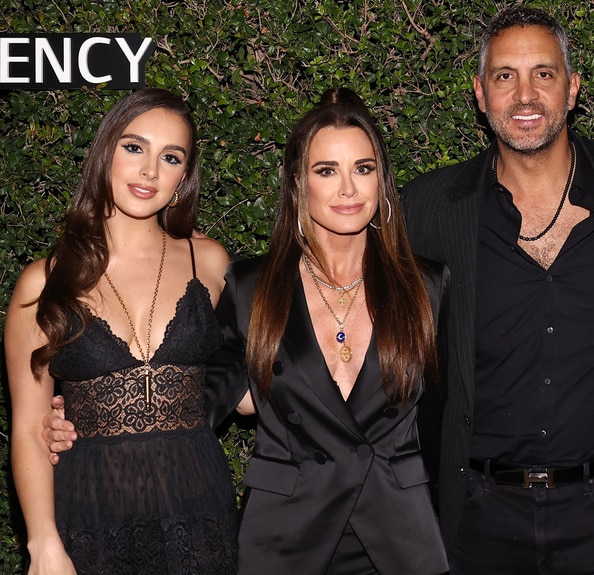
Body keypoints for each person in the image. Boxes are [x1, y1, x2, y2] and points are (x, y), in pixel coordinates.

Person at [401, 6, 594, 574]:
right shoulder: (427, 209)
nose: (525, 94)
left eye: (543, 73)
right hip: (478, 522)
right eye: (505, 76)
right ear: (480, 93)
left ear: (572, 89)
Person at [206, 87, 449, 573]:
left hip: (399, 535)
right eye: (326, 171)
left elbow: (461, 412)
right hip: (285, 536)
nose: (347, 189)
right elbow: (198, 396)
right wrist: (89, 417)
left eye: (363, 168)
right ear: (299, 182)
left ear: (381, 181)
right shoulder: (250, 286)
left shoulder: (428, 285)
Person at [5, 88, 238, 574]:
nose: (150, 171)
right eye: (134, 147)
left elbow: (249, 372)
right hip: (87, 519)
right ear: (106, 153)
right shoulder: (41, 283)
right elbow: (29, 428)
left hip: (200, 511)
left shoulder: (211, 263)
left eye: (170, 157)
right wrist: (43, 544)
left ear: (183, 178)